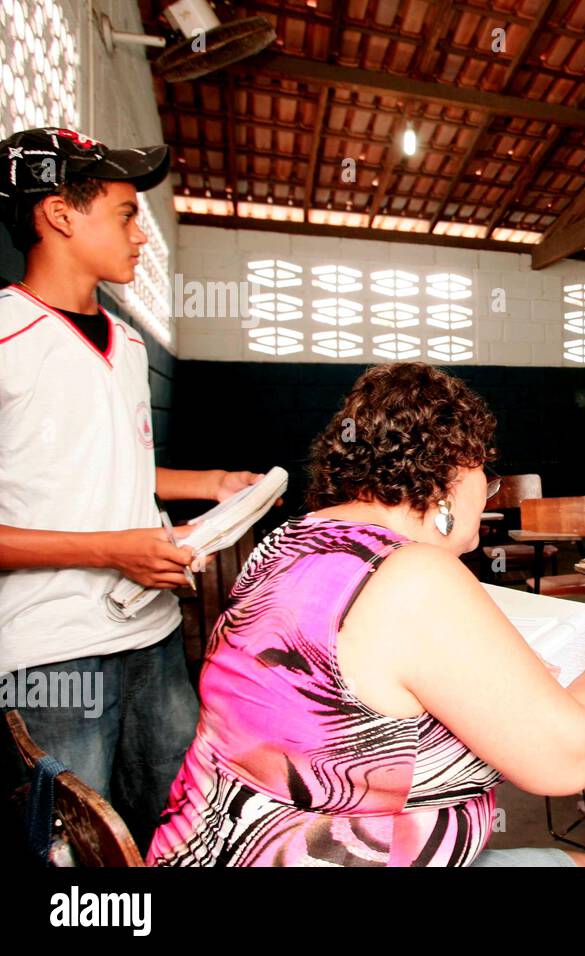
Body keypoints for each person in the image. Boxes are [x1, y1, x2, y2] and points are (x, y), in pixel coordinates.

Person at [149, 363, 585, 866]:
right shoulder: (410, 573)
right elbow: (566, 761)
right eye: (487, 470)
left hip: (211, 844)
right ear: (452, 475)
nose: (488, 489)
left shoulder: (292, 539)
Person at [0, 127, 264, 849]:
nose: (141, 236)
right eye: (124, 212)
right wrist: (113, 549)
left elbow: (104, 464)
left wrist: (212, 486)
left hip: (150, 635)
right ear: (59, 214)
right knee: (79, 848)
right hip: (54, 652)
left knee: (178, 825)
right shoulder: (6, 334)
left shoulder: (130, 343)